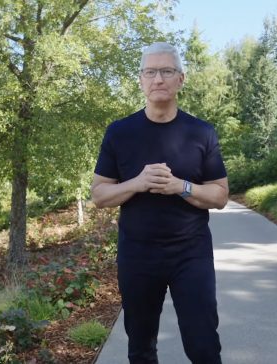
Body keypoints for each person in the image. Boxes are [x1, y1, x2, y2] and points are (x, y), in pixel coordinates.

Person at [91, 41, 228, 364]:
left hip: (190, 253)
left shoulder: (201, 132)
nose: (158, 79)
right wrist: (137, 183)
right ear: (140, 80)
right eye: (150, 72)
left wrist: (180, 186)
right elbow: (99, 195)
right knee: (140, 347)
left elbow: (220, 196)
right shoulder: (119, 132)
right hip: (137, 253)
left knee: (204, 345)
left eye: (167, 71)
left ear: (181, 79)